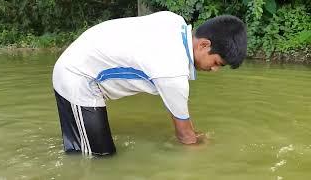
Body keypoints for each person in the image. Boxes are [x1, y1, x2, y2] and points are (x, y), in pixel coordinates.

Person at [52, 11, 247, 157]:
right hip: (77, 76)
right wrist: (205, 154)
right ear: (204, 44)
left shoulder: (175, 21)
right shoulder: (172, 70)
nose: (214, 70)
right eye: (216, 63)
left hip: (84, 57)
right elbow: (185, 136)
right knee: (97, 158)